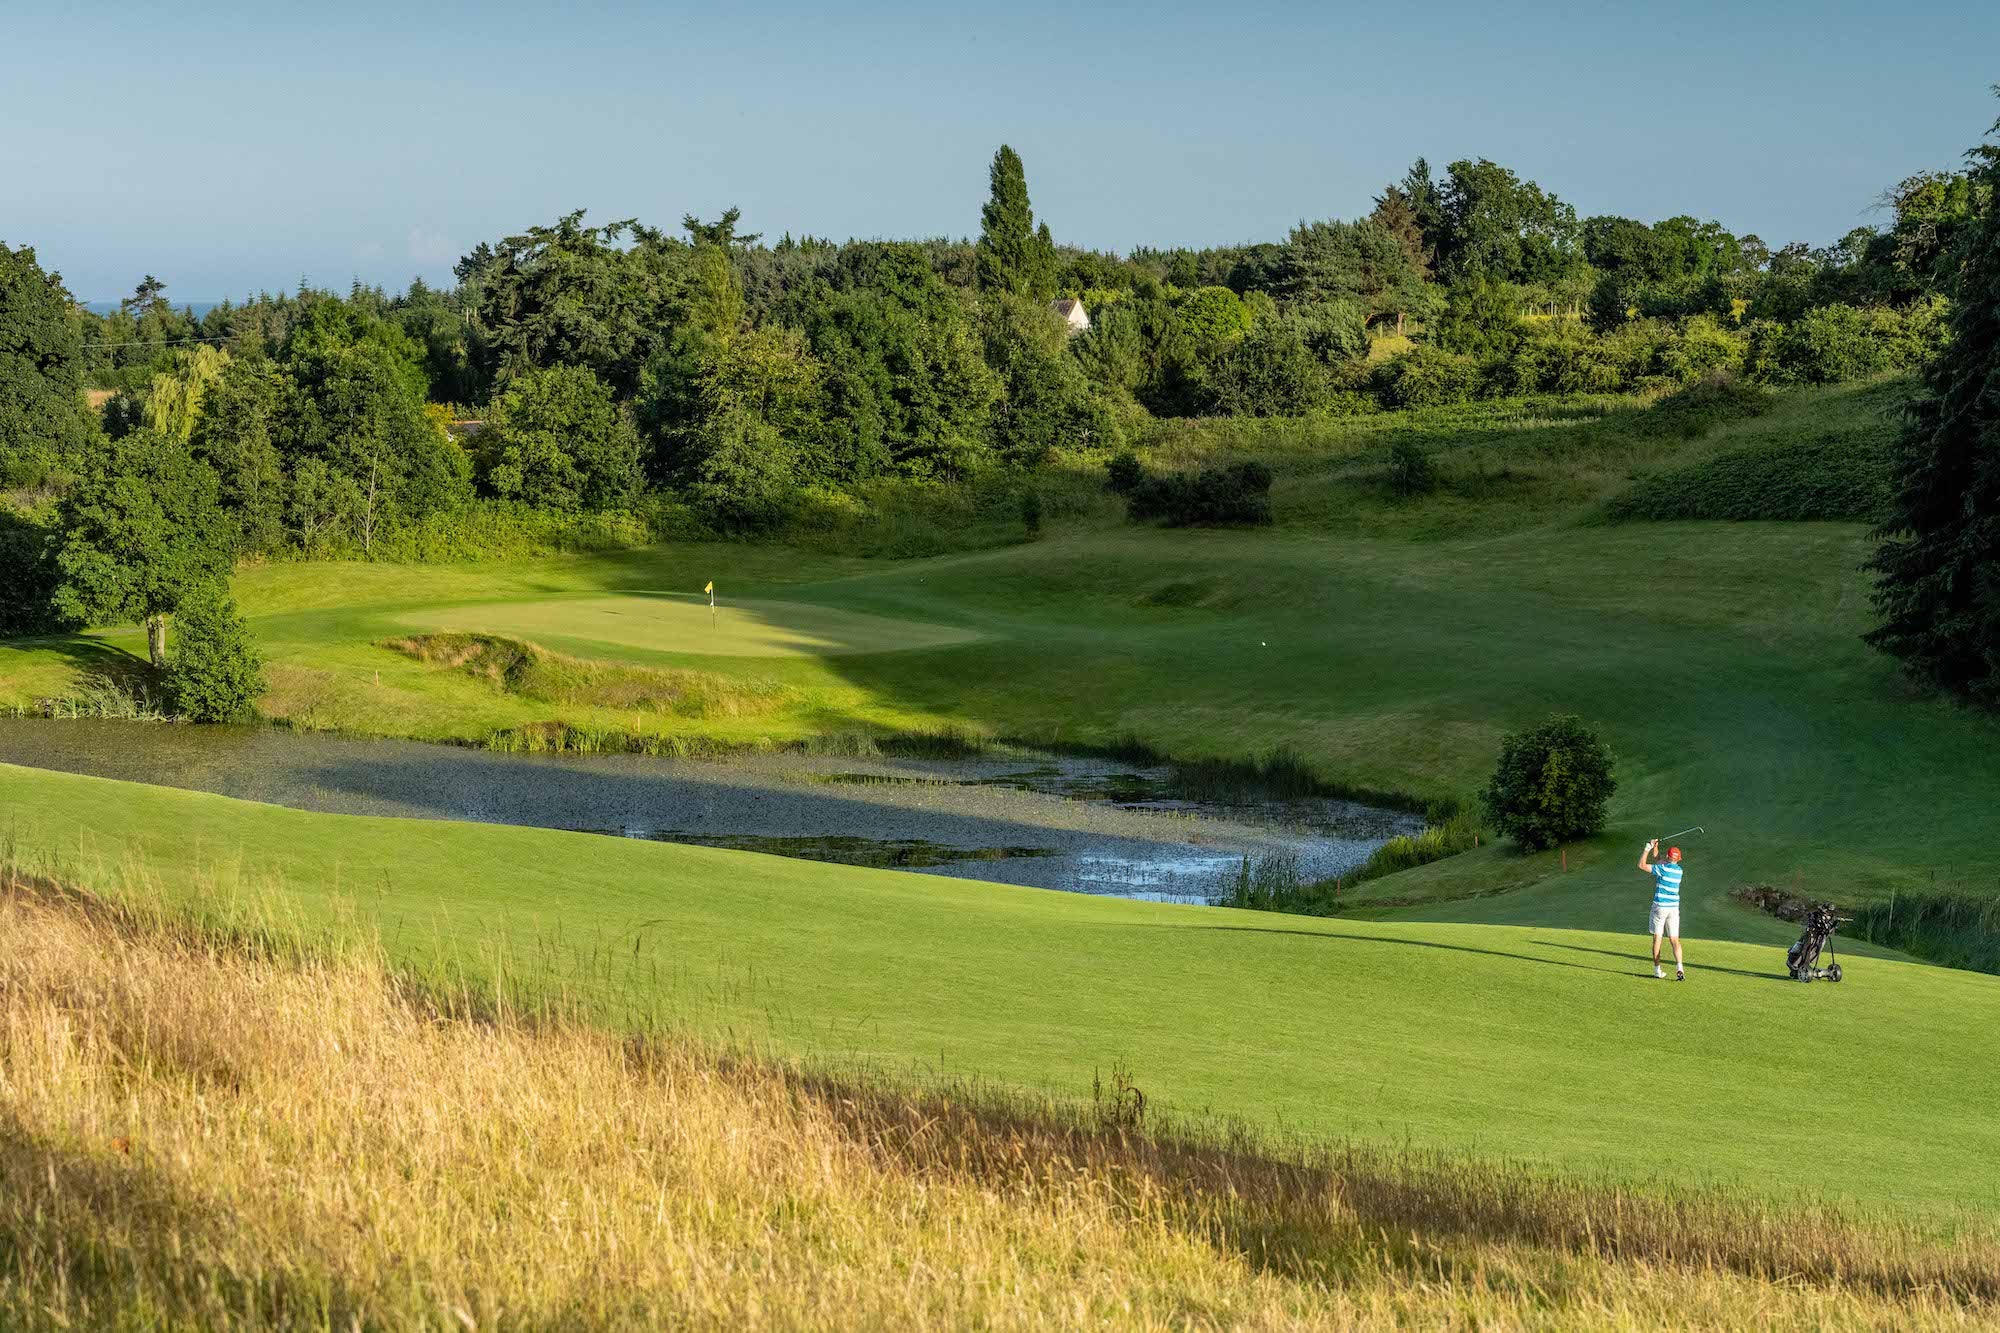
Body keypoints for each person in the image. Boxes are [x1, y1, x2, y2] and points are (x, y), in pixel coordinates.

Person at [1638, 840, 1685, 980]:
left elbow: (1641, 865)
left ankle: (1657, 970)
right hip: (1673, 908)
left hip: (1660, 907)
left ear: (1668, 857)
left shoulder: (1663, 869)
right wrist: (1656, 848)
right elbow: (1660, 860)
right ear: (1678, 859)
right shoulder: (1679, 870)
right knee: (1674, 939)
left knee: (1658, 937)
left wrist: (1647, 848)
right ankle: (1680, 967)